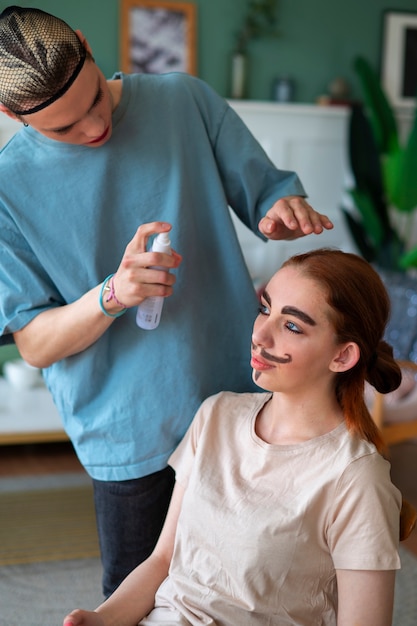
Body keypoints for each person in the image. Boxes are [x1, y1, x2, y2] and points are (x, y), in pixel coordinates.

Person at [0, 6, 333, 597]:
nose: (94, 130)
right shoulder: (8, 187)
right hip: (126, 428)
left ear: (85, 45)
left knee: (255, 587)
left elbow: (268, 197)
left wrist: (281, 214)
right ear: (8, 114)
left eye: (94, 101)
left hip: (238, 398)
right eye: (64, 129)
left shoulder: (185, 100)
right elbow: (33, 343)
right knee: (138, 595)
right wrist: (113, 294)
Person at [62, 248, 402, 626]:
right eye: (264, 309)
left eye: (291, 326)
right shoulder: (216, 414)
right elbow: (163, 560)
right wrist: (102, 619)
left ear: (342, 356)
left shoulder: (355, 476)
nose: (261, 334)